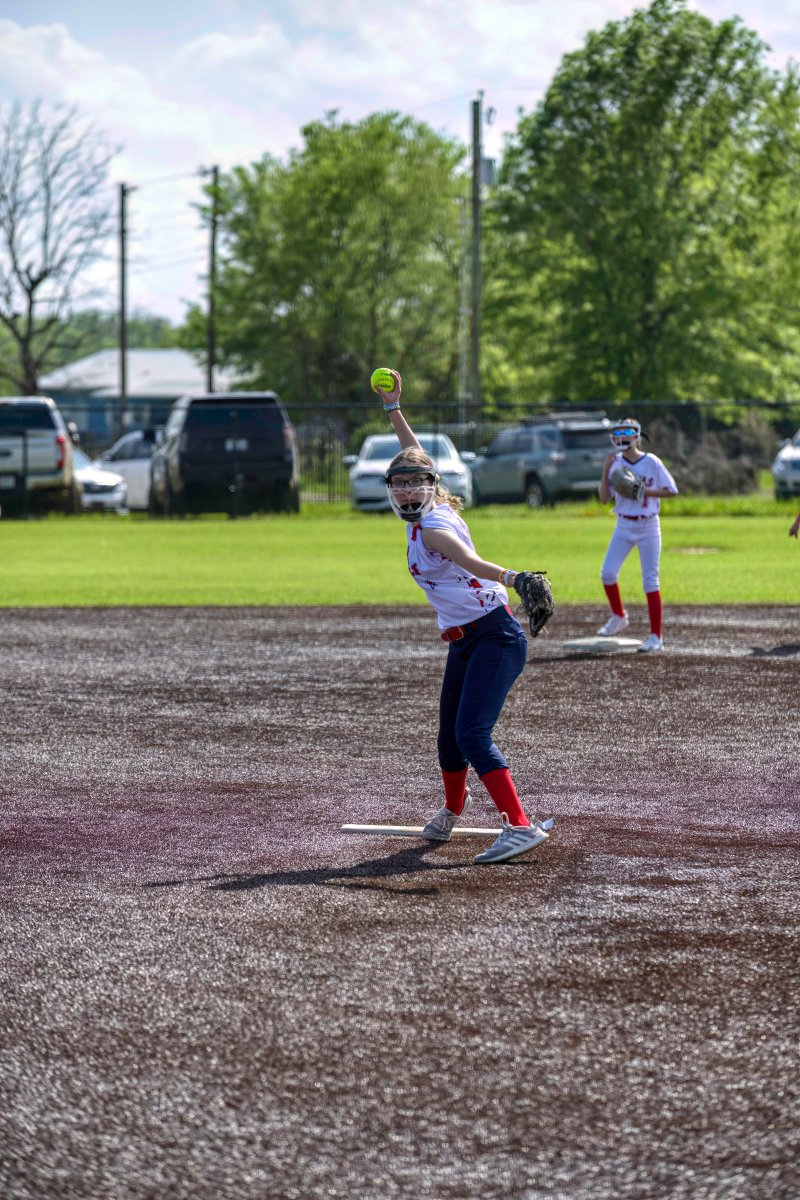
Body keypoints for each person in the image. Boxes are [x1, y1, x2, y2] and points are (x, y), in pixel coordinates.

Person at [374, 369, 550, 865]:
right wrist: (393, 408)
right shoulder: (430, 507)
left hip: (495, 635)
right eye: (399, 484)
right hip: (466, 639)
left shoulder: (433, 527)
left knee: (471, 733)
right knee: (449, 736)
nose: (407, 490)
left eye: (416, 483)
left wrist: (516, 577)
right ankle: (453, 810)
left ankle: (519, 825)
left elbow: (469, 561)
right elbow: (414, 453)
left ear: (431, 488)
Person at [596, 417, 679, 653]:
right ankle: (619, 616)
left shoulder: (651, 461)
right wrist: (606, 469)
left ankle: (656, 637)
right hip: (623, 524)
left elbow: (672, 490)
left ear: (637, 436)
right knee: (608, 573)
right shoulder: (614, 463)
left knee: (650, 580)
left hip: (648, 525)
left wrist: (643, 491)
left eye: (626, 432)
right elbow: (604, 499)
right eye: (618, 433)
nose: (621, 437)